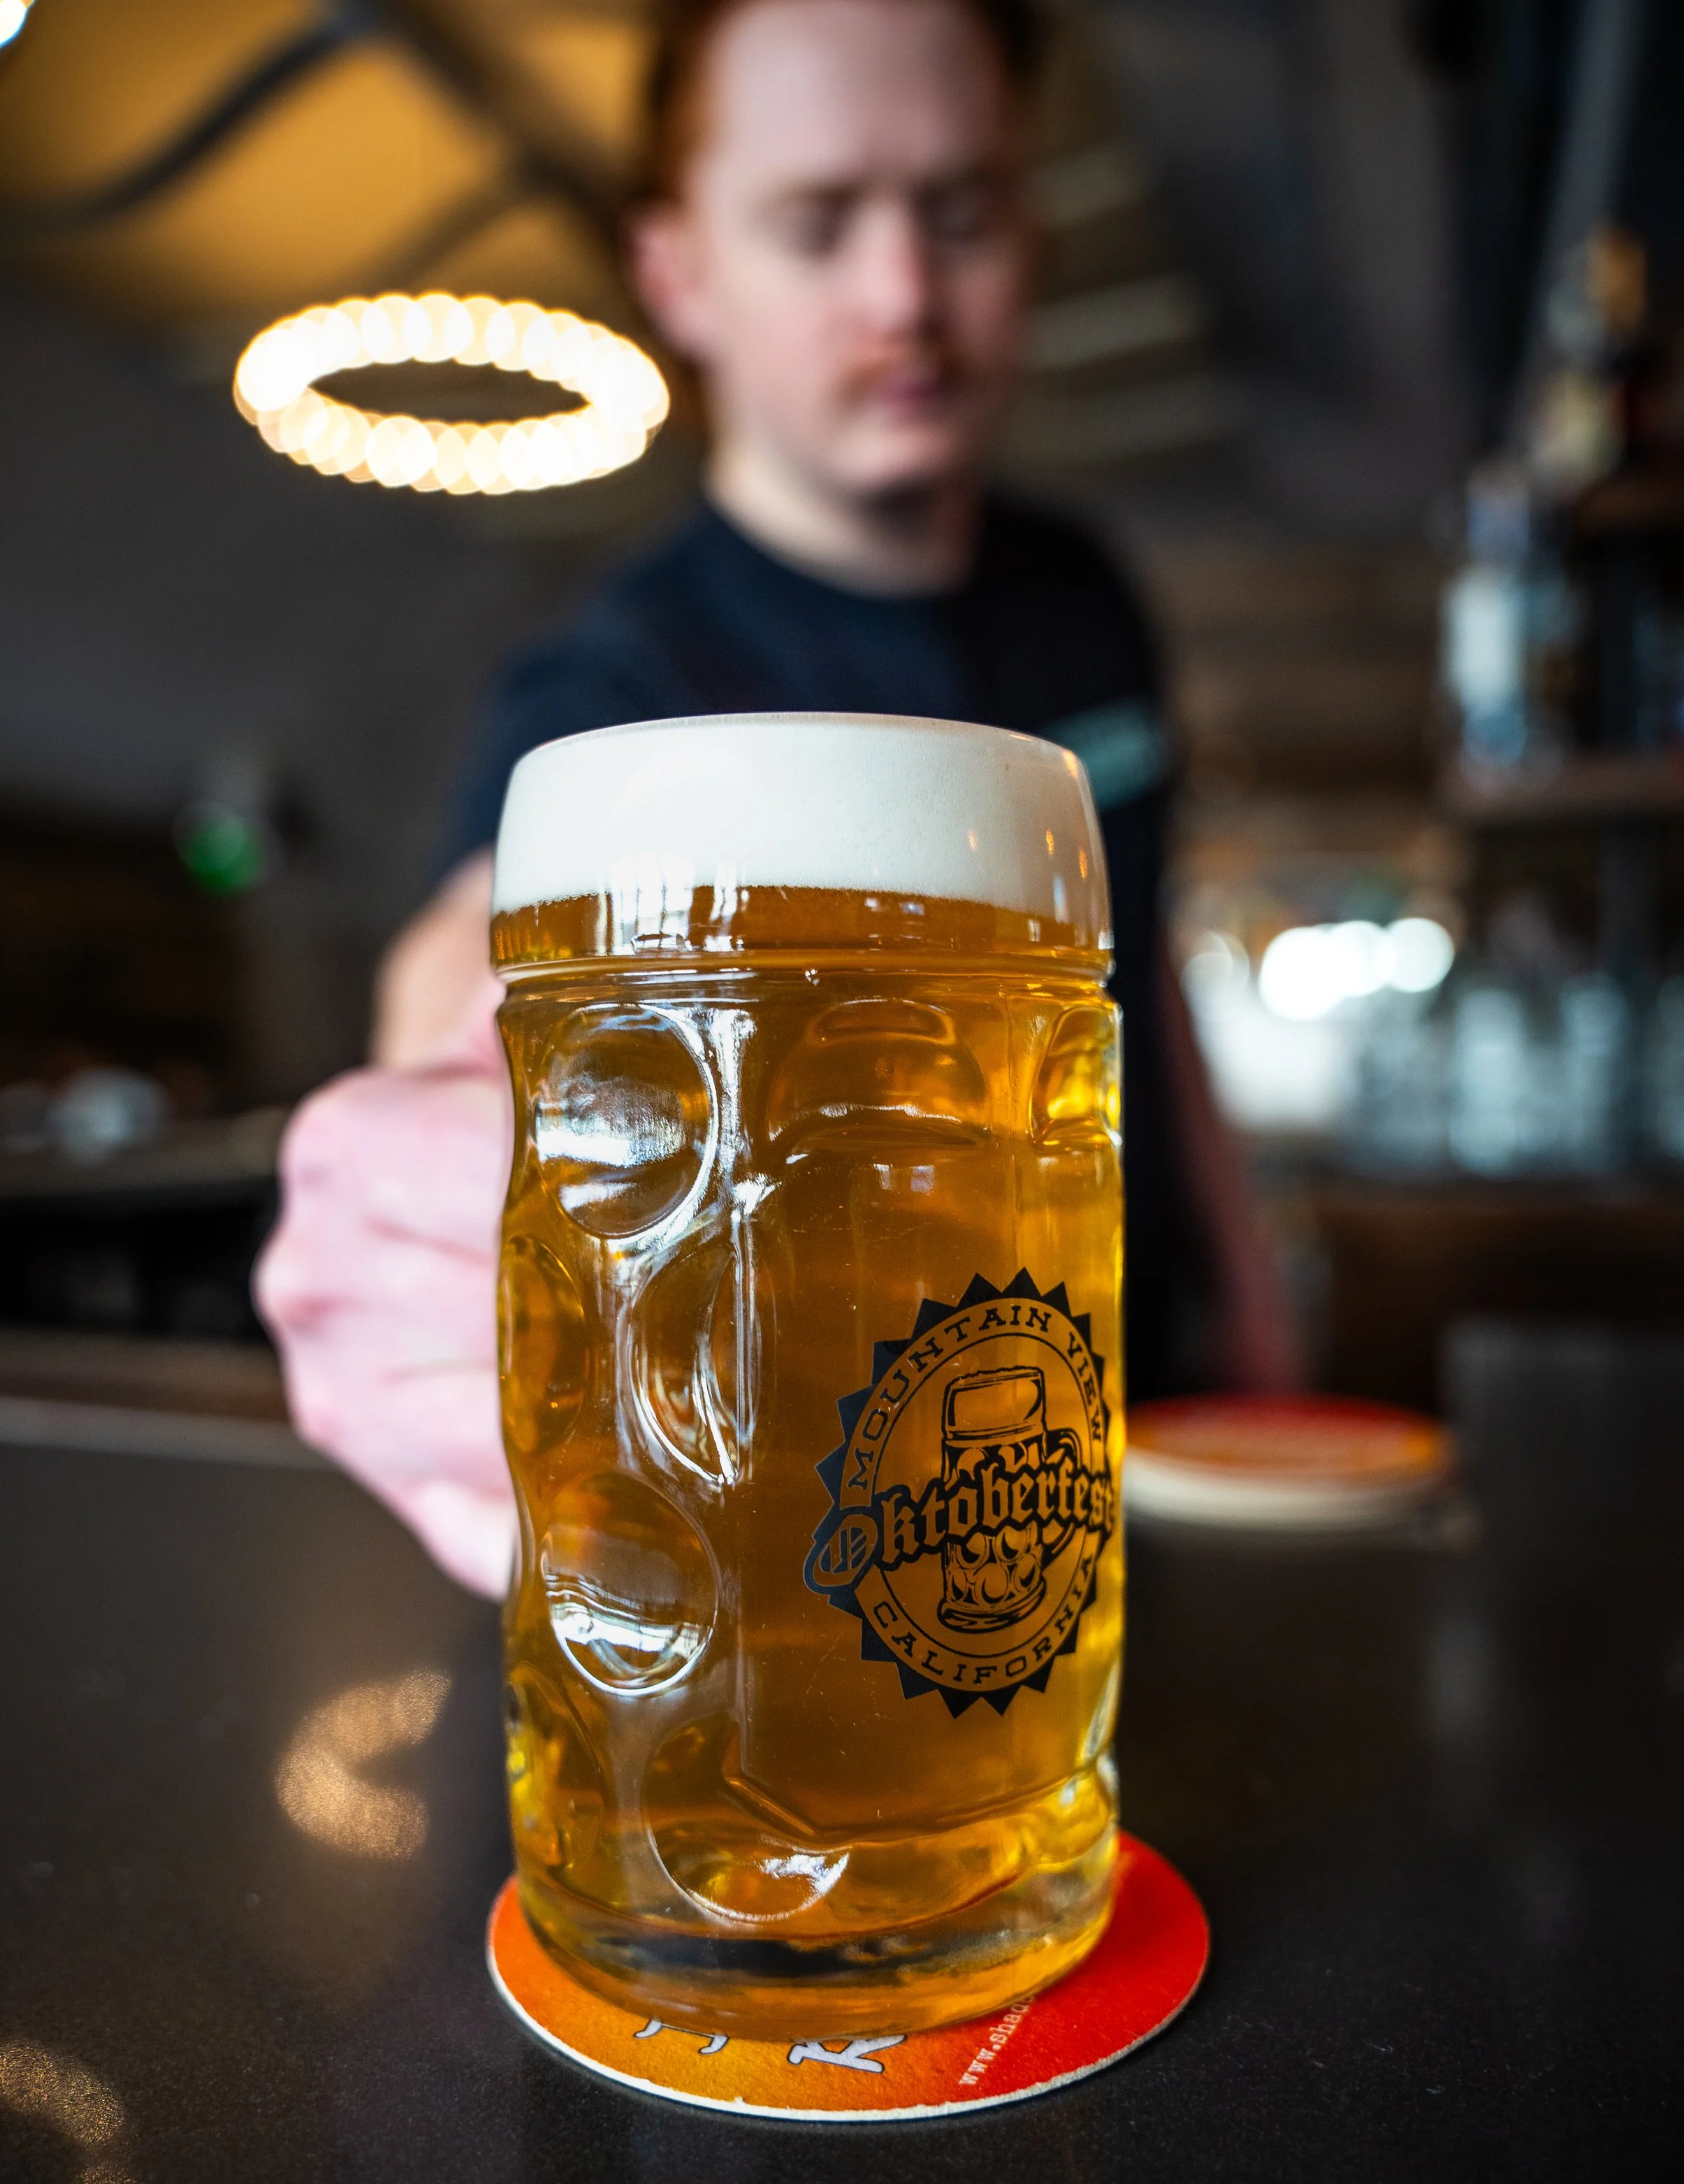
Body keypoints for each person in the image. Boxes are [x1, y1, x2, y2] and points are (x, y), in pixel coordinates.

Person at [256, 0, 1298, 1600]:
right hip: (822, 1555)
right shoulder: (615, 691)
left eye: (958, 211)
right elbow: (461, 981)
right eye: (816, 225)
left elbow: (1130, 957)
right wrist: (431, 1199)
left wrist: (1251, 1301)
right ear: (676, 274)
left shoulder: (1085, 596)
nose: (904, 297)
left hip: (1106, 1430)